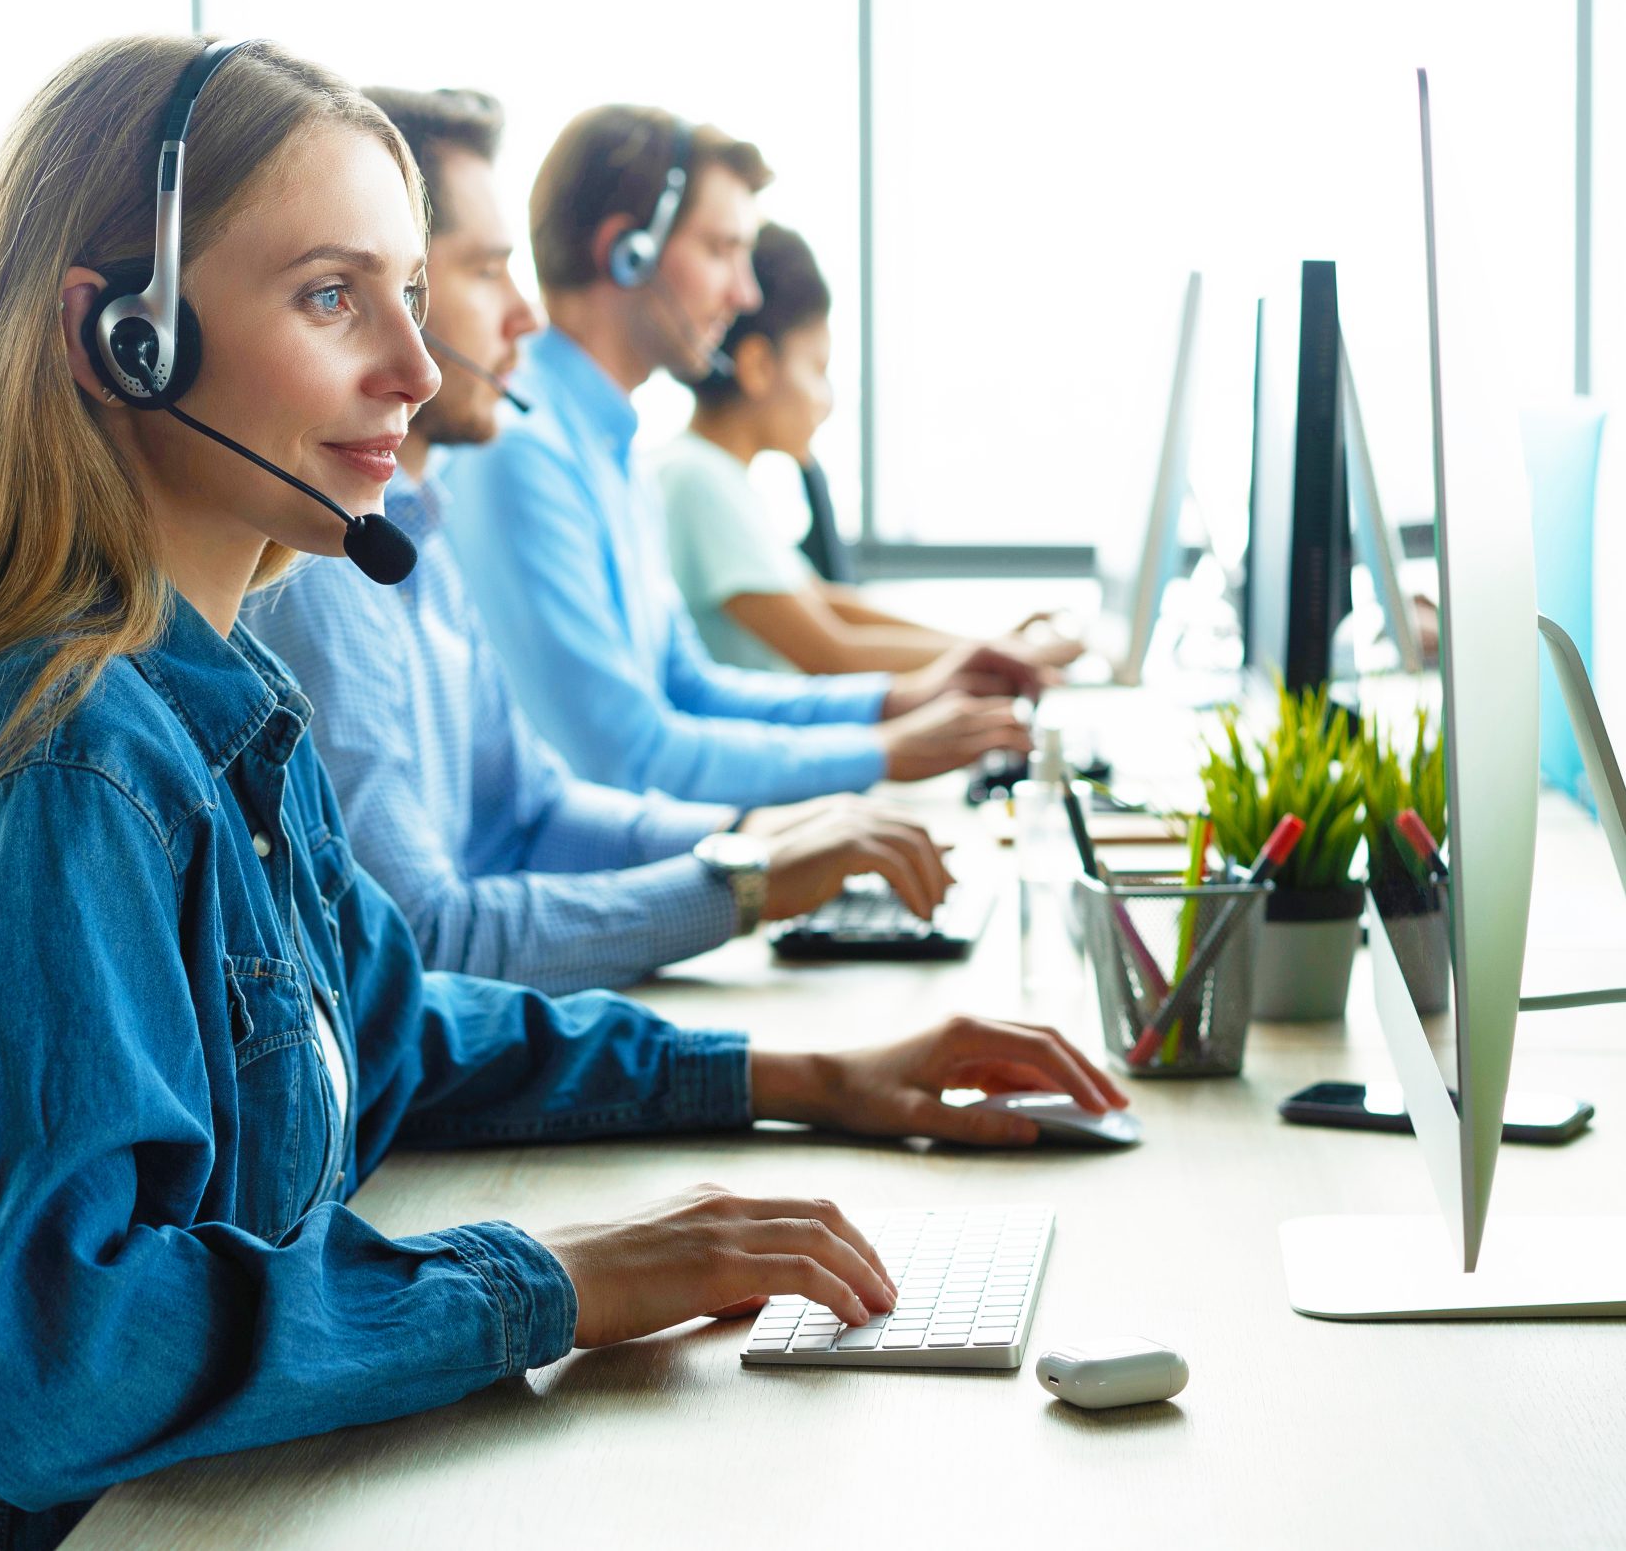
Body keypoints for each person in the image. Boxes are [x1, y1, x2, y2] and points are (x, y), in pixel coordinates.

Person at [0, 36, 1124, 1551]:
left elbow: (394, 1028)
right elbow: (52, 1359)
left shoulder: (218, 709)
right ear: (122, 341)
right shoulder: (61, 754)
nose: (419, 374)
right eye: (329, 297)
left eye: (412, 299)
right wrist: (556, 1281)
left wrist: (807, 1079)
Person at [249, 88, 954, 995]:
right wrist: (742, 876)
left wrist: (746, 843)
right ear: (625, 249)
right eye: (479, 274)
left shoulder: (427, 523)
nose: (523, 317)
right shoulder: (361, 548)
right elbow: (420, 937)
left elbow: (533, 808)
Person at [436, 103, 1044, 806]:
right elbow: (626, 758)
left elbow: (689, 687)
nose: (744, 291)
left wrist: (904, 700)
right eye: (722, 250)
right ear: (626, 252)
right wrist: (882, 753)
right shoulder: (521, 451)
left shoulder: (613, 450)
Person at [652, 221, 1088, 677]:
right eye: (818, 368)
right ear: (759, 366)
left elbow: (824, 602)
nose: (827, 399)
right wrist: (1004, 659)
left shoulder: (714, 476)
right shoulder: (696, 481)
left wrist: (994, 646)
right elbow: (834, 653)